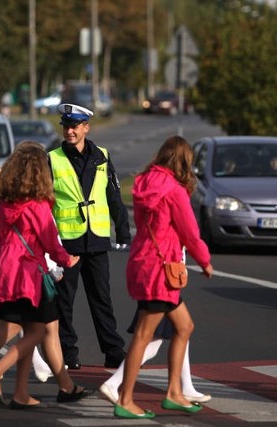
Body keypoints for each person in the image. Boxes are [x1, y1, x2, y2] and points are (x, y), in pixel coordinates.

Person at [0, 141, 80, 408]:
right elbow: (50, 243)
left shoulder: (6, 204)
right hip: (28, 276)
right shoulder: (39, 206)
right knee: (37, 330)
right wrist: (67, 260)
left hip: (5, 273)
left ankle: (11, 389)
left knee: (11, 326)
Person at [114, 135, 213, 419]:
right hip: (161, 269)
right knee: (144, 336)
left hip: (144, 263)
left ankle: (174, 393)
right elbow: (190, 232)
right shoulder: (174, 190)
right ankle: (125, 399)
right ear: (183, 161)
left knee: (184, 326)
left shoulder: (145, 182)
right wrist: (204, 261)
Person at [49, 103, 131, 370]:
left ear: (86, 128)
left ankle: (113, 350)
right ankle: (68, 352)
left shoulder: (102, 157)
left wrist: (123, 231)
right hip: (67, 242)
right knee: (64, 302)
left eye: (74, 126)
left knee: (102, 298)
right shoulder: (52, 158)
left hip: (96, 239)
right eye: (66, 126)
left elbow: (114, 196)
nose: (69, 131)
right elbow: (45, 203)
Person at [99, 310, 211, 405]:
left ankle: (187, 388)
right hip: (161, 292)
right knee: (176, 332)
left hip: (161, 292)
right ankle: (113, 384)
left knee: (180, 331)